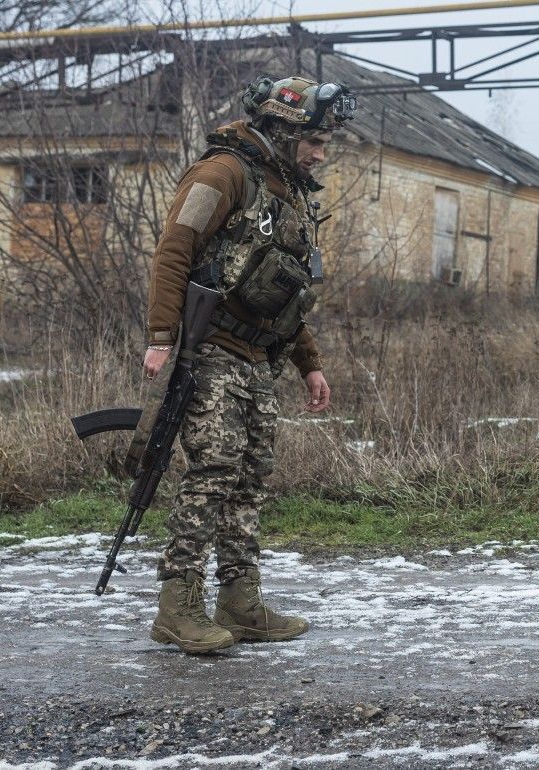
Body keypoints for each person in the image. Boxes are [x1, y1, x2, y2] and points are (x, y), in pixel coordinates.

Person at [141, 75, 355, 654]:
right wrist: (161, 336)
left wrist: (308, 362)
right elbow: (174, 249)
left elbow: (283, 291)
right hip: (210, 349)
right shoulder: (222, 173)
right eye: (311, 139)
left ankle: (240, 603)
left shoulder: (288, 192)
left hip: (260, 358)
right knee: (212, 473)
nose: (318, 151)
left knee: (248, 481)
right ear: (280, 130)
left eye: (323, 142)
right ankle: (176, 606)